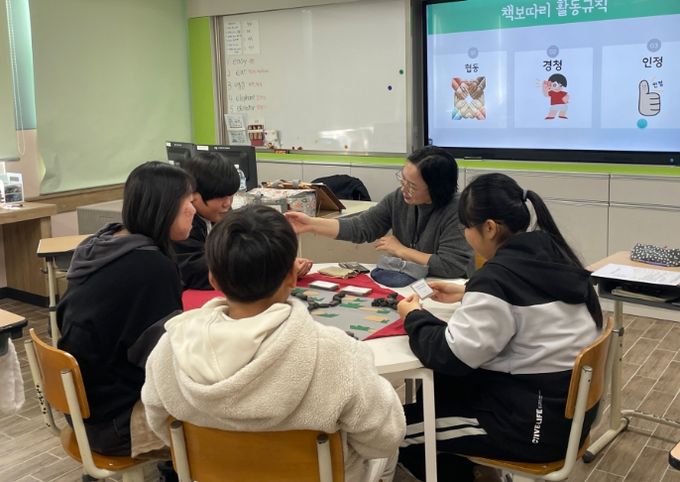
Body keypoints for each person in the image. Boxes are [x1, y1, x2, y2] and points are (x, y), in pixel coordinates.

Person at [142, 205, 406, 481]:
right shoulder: (338, 355)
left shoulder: (170, 348)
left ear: (213, 279)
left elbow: (162, 426)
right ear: (292, 276)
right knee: (387, 456)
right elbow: (384, 439)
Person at [396, 173, 603, 482]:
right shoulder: (551, 253)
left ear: (490, 228)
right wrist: (468, 291)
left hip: (531, 427)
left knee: (391, 429)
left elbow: (449, 355)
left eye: (466, 227)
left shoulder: (496, 281)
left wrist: (413, 316)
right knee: (439, 386)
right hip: (564, 412)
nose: (466, 234)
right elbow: (530, 299)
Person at [57, 161, 196, 457]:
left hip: (81, 409)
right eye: (188, 201)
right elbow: (164, 363)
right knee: (218, 412)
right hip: (114, 422)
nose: (193, 210)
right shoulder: (151, 268)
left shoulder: (99, 246)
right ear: (164, 207)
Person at [285, 146, 472, 279]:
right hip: (409, 281)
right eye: (403, 179)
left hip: (447, 288)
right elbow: (362, 227)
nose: (404, 188)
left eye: (412, 186)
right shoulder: (399, 198)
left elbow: (450, 266)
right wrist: (311, 224)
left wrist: (401, 250)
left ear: (436, 189)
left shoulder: (457, 210)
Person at [175, 151, 312, 289]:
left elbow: (244, 251)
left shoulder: (223, 215)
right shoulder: (180, 225)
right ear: (193, 194)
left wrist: (281, 263)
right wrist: (273, 269)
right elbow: (196, 271)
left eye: (230, 195)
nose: (227, 203)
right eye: (220, 197)